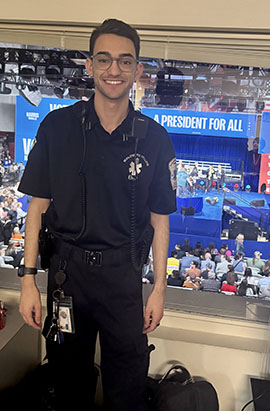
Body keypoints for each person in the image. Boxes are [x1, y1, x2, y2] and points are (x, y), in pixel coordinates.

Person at [18, 19, 177, 411]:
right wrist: (27, 281)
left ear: (138, 69)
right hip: (66, 278)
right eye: (104, 59)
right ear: (89, 66)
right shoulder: (57, 127)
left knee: (128, 386)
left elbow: (161, 219)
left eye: (126, 61)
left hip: (123, 279)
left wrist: (158, 289)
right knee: (68, 386)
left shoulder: (154, 138)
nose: (114, 70)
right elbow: (36, 210)